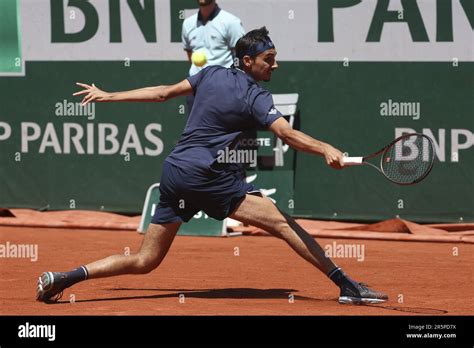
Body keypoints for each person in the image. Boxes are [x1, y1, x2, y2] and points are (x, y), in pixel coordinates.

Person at [36, 27, 388, 305]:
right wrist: (326, 148)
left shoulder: (208, 74)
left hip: (174, 173)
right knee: (284, 223)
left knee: (146, 260)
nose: (275, 65)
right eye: (269, 58)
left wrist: (110, 95)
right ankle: (347, 286)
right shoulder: (256, 96)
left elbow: (162, 93)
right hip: (205, 177)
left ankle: (65, 277)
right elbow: (287, 135)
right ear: (248, 61)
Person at [182, 0, 244, 112]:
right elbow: (190, 56)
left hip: (223, 89)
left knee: (224, 129)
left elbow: (242, 57)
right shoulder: (187, 23)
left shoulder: (231, 22)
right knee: (195, 129)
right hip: (195, 89)